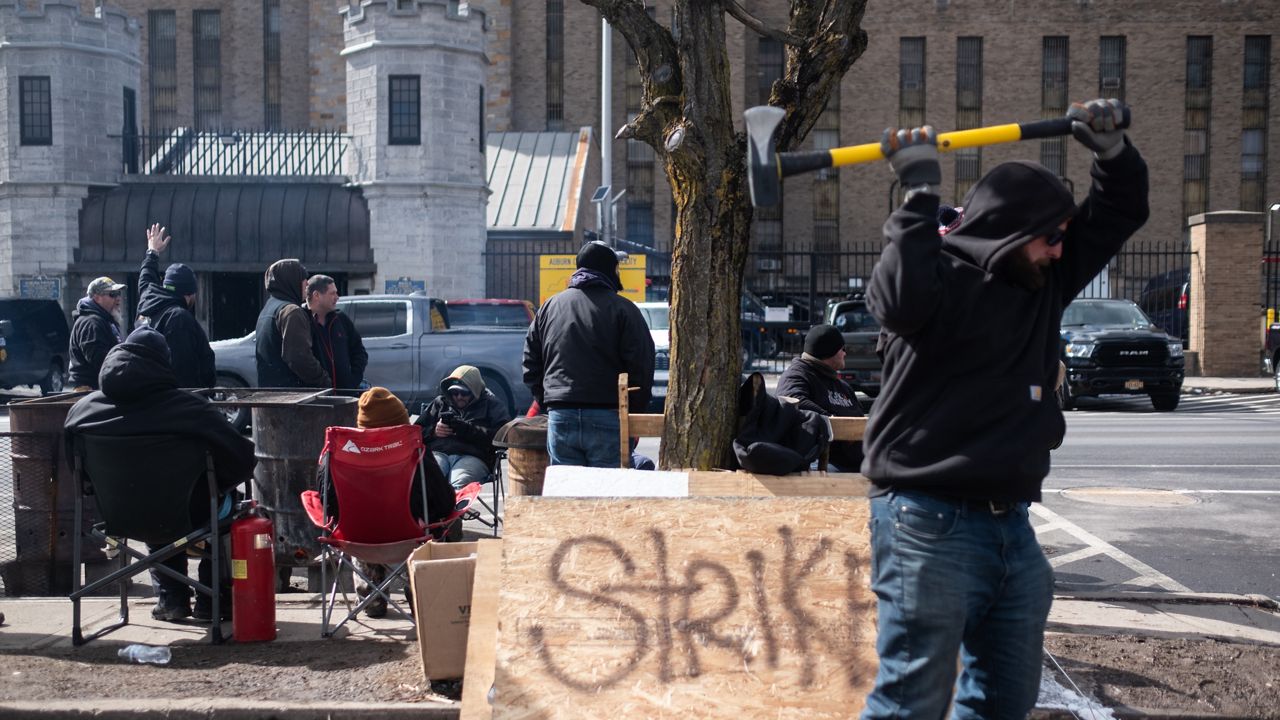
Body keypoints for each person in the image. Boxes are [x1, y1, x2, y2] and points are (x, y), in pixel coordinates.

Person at [859, 98, 1149, 720]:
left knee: (1005, 698)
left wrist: (1113, 154)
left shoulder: (1045, 282)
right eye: (1051, 236)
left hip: (1011, 526)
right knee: (911, 700)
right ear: (1013, 229)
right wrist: (917, 194)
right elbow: (896, 304)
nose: (1060, 249)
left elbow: (1120, 212)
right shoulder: (936, 274)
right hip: (926, 519)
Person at [64, 326, 257, 622]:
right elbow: (243, 459)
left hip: (117, 512)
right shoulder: (191, 409)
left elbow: (80, 477)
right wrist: (220, 483)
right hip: (190, 512)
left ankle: (172, 598)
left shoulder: (82, 412)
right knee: (222, 506)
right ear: (164, 364)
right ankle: (212, 599)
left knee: (153, 503)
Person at [324, 386, 456, 618]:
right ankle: (418, 592)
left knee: (364, 523)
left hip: (355, 539)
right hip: (407, 538)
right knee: (440, 522)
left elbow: (326, 502)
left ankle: (371, 598)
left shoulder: (337, 452)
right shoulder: (416, 451)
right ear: (400, 423)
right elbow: (444, 502)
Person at [522, 241, 655, 468]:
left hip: (561, 413)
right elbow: (641, 367)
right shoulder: (624, 309)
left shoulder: (549, 307)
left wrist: (548, 401)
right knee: (604, 488)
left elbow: (530, 363)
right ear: (609, 269)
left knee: (567, 488)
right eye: (616, 267)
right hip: (607, 414)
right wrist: (632, 414)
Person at [135, 224, 216, 388]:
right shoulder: (179, 318)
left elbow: (145, 278)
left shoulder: (148, 301)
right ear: (189, 294)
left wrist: (152, 252)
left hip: (148, 389)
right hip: (172, 397)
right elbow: (183, 369)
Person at [775, 324, 864, 471]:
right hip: (822, 462)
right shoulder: (797, 375)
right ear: (829, 351)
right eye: (842, 349)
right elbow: (793, 401)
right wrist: (836, 424)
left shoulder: (842, 386)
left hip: (859, 461)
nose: (845, 353)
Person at [414, 365, 512, 489]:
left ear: (474, 390)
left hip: (473, 456)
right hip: (439, 453)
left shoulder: (492, 405)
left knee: (459, 484)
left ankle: (453, 502)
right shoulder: (440, 402)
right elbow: (414, 433)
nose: (459, 396)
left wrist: (466, 429)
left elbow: (504, 437)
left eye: (464, 393)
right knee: (429, 481)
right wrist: (433, 431)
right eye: (454, 392)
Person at [255, 259, 330, 388]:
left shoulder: (268, 309)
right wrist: (324, 380)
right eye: (303, 278)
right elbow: (298, 358)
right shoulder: (291, 311)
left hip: (271, 392)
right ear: (292, 281)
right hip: (292, 395)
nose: (307, 283)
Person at [305, 274, 368, 390]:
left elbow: (359, 352)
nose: (337, 297)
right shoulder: (302, 321)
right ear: (316, 295)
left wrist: (353, 380)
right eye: (332, 293)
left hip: (345, 395)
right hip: (316, 396)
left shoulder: (341, 319)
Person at [67, 277, 125, 391]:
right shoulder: (91, 322)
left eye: (119, 294)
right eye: (112, 294)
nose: (118, 298)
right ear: (97, 298)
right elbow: (99, 359)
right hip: (88, 390)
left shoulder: (105, 320)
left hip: (99, 387)